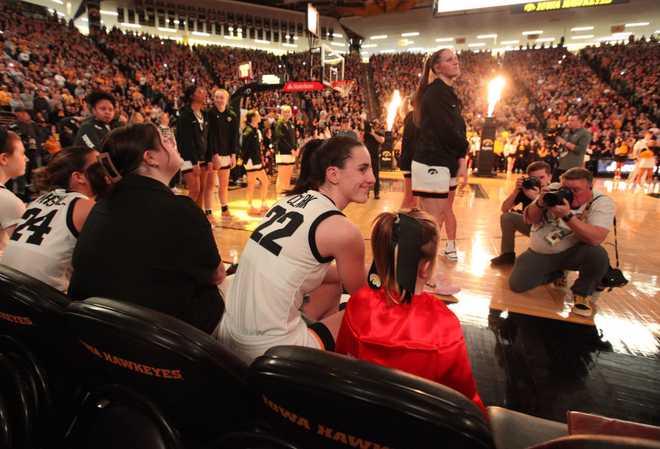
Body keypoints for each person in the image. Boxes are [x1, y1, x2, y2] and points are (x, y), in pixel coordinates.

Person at [217, 136, 375, 363]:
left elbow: (305, 269)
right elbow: (363, 298)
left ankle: (322, 352)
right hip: (268, 351)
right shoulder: (344, 232)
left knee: (332, 285)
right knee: (366, 312)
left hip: (230, 333)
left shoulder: (287, 202)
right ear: (333, 174)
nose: (372, 178)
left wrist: (364, 268)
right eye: (363, 169)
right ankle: (331, 370)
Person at [69, 123, 225, 334]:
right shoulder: (181, 209)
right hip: (163, 343)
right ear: (150, 157)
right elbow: (216, 275)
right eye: (165, 140)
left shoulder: (100, 205)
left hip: (99, 334)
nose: (172, 143)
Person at [336, 209, 485, 413]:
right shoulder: (444, 324)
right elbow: (465, 401)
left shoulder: (358, 303)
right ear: (425, 268)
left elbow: (342, 360)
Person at [509, 168, 614, 318]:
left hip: (574, 253)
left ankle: (583, 294)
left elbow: (596, 238)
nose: (569, 193)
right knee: (517, 285)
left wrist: (567, 216)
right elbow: (529, 220)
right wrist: (539, 203)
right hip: (541, 252)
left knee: (597, 254)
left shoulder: (601, 202)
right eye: (565, 188)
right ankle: (556, 273)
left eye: (576, 190)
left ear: (590, 187)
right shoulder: (552, 191)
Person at [2, 147, 100, 293]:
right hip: (41, 302)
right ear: (79, 177)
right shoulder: (86, 207)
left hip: (8, 291)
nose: (105, 170)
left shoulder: (37, 201)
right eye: (98, 165)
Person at [412, 48, 468, 262]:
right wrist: (464, 150)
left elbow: (457, 130)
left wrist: (461, 158)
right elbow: (447, 131)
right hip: (431, 163)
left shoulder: (447, 92)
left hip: (445, 162)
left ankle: (426, 274)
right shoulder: (435, 93)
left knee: (440, 218)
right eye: (449, 59)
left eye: (455, 58)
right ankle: (420, 276)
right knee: (431, 223)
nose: (456, 62)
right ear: (437, 67)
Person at [491, 161, 552, 266]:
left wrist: (536, 198)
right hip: (531, 226)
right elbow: (504, 208)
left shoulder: (555, 191)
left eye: (541, 177)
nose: (539, 182)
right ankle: (507, 254)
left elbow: (554, 218)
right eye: (535, 179)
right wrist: (516, 190)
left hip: (550, 231)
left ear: (549, 177)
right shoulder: (527, 189)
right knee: (507, 217)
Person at [176, 85, 212, 213]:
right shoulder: (185, 115)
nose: (204, 92)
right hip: (188, 158)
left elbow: (208, 138)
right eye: (200, 91)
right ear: (192, 96)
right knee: (195, 190)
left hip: (202, 158)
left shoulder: (205, 115)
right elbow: (185, 141)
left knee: (201, 190)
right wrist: (193, 161)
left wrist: (209, 159)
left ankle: (198, 218)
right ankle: (181, 216)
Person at [207, 88, 239, 218]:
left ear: (227, 100)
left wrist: (233, 154)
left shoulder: (232, 115)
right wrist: (214, 154)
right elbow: (210, 136)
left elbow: (234, 137)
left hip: (227, 154)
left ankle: (224, 208)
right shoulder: (209, 114)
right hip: (213, 154)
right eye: (217, 97)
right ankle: (208, 211)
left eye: (222, 97)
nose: (219, 100)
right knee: (210, 185)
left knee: (224, 184)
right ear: (214, 98)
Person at [0, 128, 27, 255]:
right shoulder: (7, 200)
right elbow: (26, 250)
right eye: (22, 153)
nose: (26, 159)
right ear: (4, 158)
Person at [241, 110, 269, 215]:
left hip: (256, 160)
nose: (260, 117)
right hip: (251, 161)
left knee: (265, 182)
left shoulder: (255, 130)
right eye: (258, 115)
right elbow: (244, 148)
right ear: (253, 118)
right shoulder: (248, 131)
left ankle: (263, 203)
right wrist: (244, 160)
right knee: (251, 184)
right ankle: (249, 206)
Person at [553, 115, 591, 181]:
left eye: (572, 120)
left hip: (572, 167)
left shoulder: (585, 134)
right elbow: (561, 145)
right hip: (560, 164)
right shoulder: (566, 131)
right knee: (554, 185)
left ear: (579, 122)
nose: (569, 122)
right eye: (568, 120)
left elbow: (580, 150)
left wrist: (564, 143)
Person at [273, 105, 298, 194]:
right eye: (285, 112)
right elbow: (281, 139)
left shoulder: (290, 123)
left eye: (288, 112)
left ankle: (285, 194)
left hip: (291, 153)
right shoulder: (279, 123)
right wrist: (291, 149)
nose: (287, 114)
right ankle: (279, 195)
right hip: (283, 153)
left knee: (288, 176)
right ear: (281, 113)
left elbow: (294, 138)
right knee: (282, 175)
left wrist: (296, 148)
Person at [399, 97, 418, 209]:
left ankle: (405, 222)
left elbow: (402, 111)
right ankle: (398, 223)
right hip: (411, 160)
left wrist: (406, 99)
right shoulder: (416, 116)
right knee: (410, 198)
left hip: (409, 159)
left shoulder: (409, 116)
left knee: (413, 199)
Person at [363, 119, 385, 199]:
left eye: (376, 124)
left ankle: (376, 193)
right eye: (373, 124)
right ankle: (366, 192)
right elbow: (361, 140)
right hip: (367, 157)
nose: (375, 126)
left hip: (375, 157)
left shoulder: (379, 132)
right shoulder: (367, 133)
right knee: (366, 175)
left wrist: (373, 133)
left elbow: (382, 140)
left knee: (376, 175)